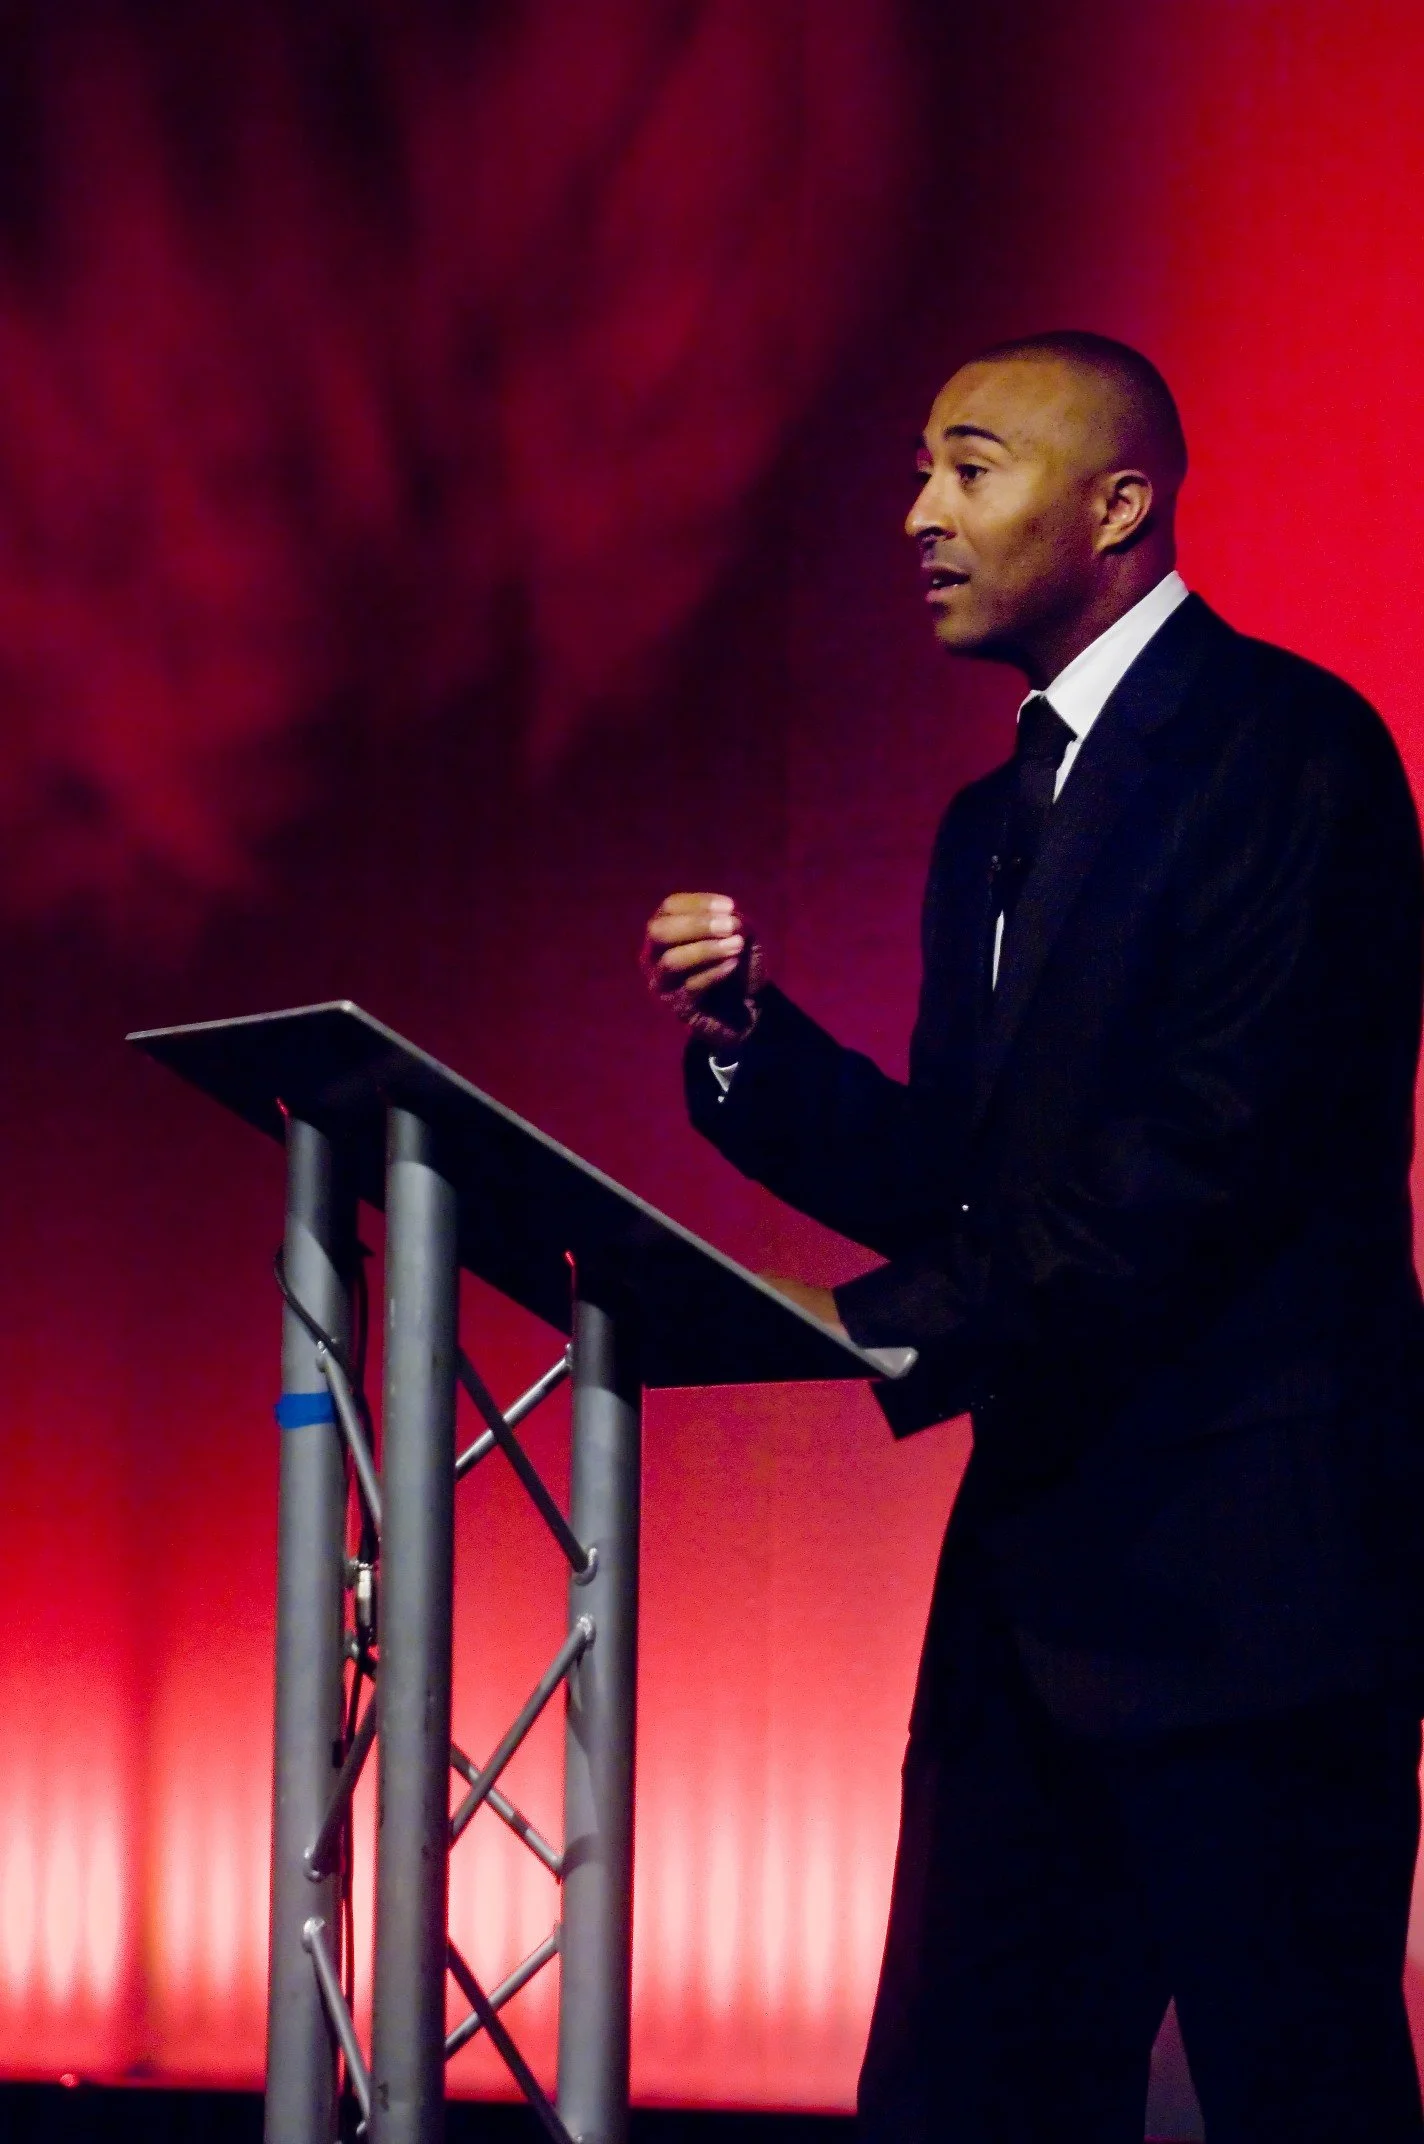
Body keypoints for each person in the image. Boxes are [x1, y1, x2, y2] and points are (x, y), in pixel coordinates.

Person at [639, 331, 1424, 2143]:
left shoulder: (1290, 749)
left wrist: (872, 1323)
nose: (919, 514)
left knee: (1299, 2097)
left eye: (969, 468)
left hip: (1258, 1595)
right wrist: (761, 1054)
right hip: (1034, 1599)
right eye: (921, 470)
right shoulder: (985, 821)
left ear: (1122, 506)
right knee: (955, 2098)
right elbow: (969, 1175)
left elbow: (1201, 1167)